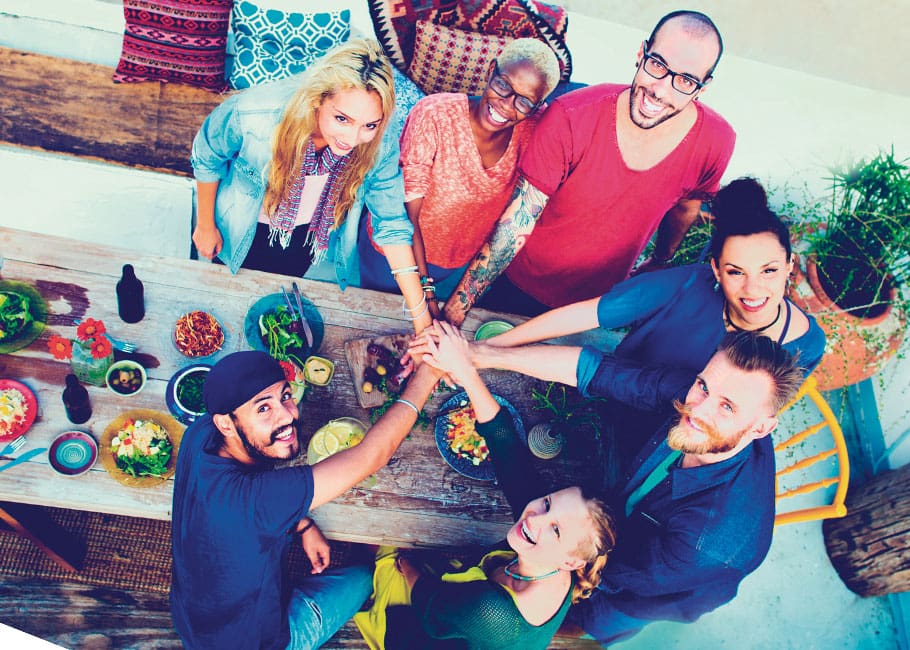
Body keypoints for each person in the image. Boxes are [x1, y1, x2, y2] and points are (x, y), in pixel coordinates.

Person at [458, 330, 804, 644]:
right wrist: (480, 355)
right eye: (703, 386)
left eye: (727, 407)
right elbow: (600, 372)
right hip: (625, 509)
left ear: (761, 428)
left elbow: (597, 564)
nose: (698, 411)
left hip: (645, 591)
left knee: (570, 620)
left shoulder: (706, 540)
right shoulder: (702, 396)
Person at [441, 10, 735, 322]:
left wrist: (662, 259)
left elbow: (686, 208)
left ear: (703, 87)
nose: (661, 90)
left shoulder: (716, 142)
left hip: (598, 305)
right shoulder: (570, 116)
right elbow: (517, 222)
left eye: (686, 81)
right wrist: (455, 312)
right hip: (520, 282)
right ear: (641, 53)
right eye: (658, 65)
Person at [355, 322, 616, 649]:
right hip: (462, 606)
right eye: (548, 503)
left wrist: (407, 567)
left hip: (425, 631)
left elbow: (430, 606)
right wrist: (464, 367)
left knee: (380, 545)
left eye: (556, 530)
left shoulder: (492, 611)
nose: (534, 516)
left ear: (571, 562)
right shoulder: (555, 559)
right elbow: (508, 451)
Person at [170, 350, 439, 649]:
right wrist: (428, 373)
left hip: (192, 621)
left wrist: (302, 525)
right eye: (263, 409)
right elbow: (372, 455)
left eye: (285, 395)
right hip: (261, 642)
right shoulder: (256, 501)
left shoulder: (200, 434)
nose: (288, 415)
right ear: (226, 424)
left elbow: (257, 506)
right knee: (365, 577)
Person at [190, 38, 431, 332]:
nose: (353, 138)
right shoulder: (256, 113)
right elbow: (206, 155)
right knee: (228, 306)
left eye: (369, 125)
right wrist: (205, 225)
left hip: (306, 237)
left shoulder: (381, 140)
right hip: (240, 229)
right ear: (318, 99)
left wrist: (422, 321)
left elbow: (391, 222)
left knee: (276, 308)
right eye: (342, 119)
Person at [484, 176, 827, 376]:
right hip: (613, 395)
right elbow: (589, 313)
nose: (753, 289)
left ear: (790, 266)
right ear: (716, 271)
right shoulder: (686, 284)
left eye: (768, 270)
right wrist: (488, 348)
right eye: (736, 272)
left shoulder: (807, 346)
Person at [357, 39, 561, 312]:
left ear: (537, 107)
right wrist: (426, 293)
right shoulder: (435, 115)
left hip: (453, 263)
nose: (506, 105)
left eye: (524, 101)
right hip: (392, 254)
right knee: (372, 315)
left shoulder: (534, 130)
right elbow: (407, 216)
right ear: (490, 71)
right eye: (502, 85)